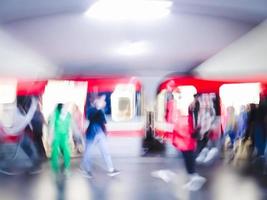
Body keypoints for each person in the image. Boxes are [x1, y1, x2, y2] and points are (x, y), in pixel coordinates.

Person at [167, 93, 206, 191]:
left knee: (188, 155)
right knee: (188, 155)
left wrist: (196, 131)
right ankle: (192, 176)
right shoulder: (194, 107)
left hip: (187, 135)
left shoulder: (194, 107)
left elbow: (193, 122)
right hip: (188, 135)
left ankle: (193, 176)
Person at [81, 95, 120, 178]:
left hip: (100, 134)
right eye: (101, 101)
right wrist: (98, 108)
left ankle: (111, 169)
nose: (103, 103)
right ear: (96, 102)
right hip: (91, 135)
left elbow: (104, 122)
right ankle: (86, 170)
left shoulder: (101, 111)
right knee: (88, 153)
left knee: (105, 152)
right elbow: (90, 117)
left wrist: (106, 132)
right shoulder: (90, 109)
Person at [49, 103, 72, 176]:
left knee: (67, 150)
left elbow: (69, 127)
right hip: (56, 134)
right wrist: (50, 137)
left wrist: (70, 137)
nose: (66, 108)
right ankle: (55, 168)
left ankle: (66, 167)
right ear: (61, 108)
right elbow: (52, 126)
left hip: (64, 135)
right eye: (64, 107)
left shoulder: (68, 115)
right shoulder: (55, 114)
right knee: (55, 151)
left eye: (67, 107)